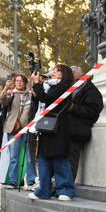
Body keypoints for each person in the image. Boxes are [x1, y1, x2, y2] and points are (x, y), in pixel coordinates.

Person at [29, 65, 76, 201]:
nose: (53, 72)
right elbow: (40, 100)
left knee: (60, 159)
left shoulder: (63, 87)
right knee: (43, 159)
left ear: (64, 74)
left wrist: (37, 84)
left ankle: (66, 190)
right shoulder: (50, 86)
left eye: (56, 70)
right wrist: (36, 87)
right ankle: (43, 190)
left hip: (58, 128)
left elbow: (49, 101)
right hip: (47, 127)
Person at [0, 73, 37, 189]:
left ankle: (31, 182)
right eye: (17, 81)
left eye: (21, 81)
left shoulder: (31, 94)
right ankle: (13, 181)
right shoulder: (12, 93)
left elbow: (39, 98)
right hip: (13, 128)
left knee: (30, 156)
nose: (19, 83)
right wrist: (6, 88)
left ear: (25, 82)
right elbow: (2, 101)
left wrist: (34, 83)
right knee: (14, 157)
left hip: (29, 128)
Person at [67, 66, 104, 182]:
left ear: (81, 76)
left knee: (71, 160)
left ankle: (67, 187)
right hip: (67, 129)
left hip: (77, 130)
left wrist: (73, 108)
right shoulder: (72, 89)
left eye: (75, 79)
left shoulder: (91, 91)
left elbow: (93, 112)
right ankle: (58, 185)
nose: (73, 81)